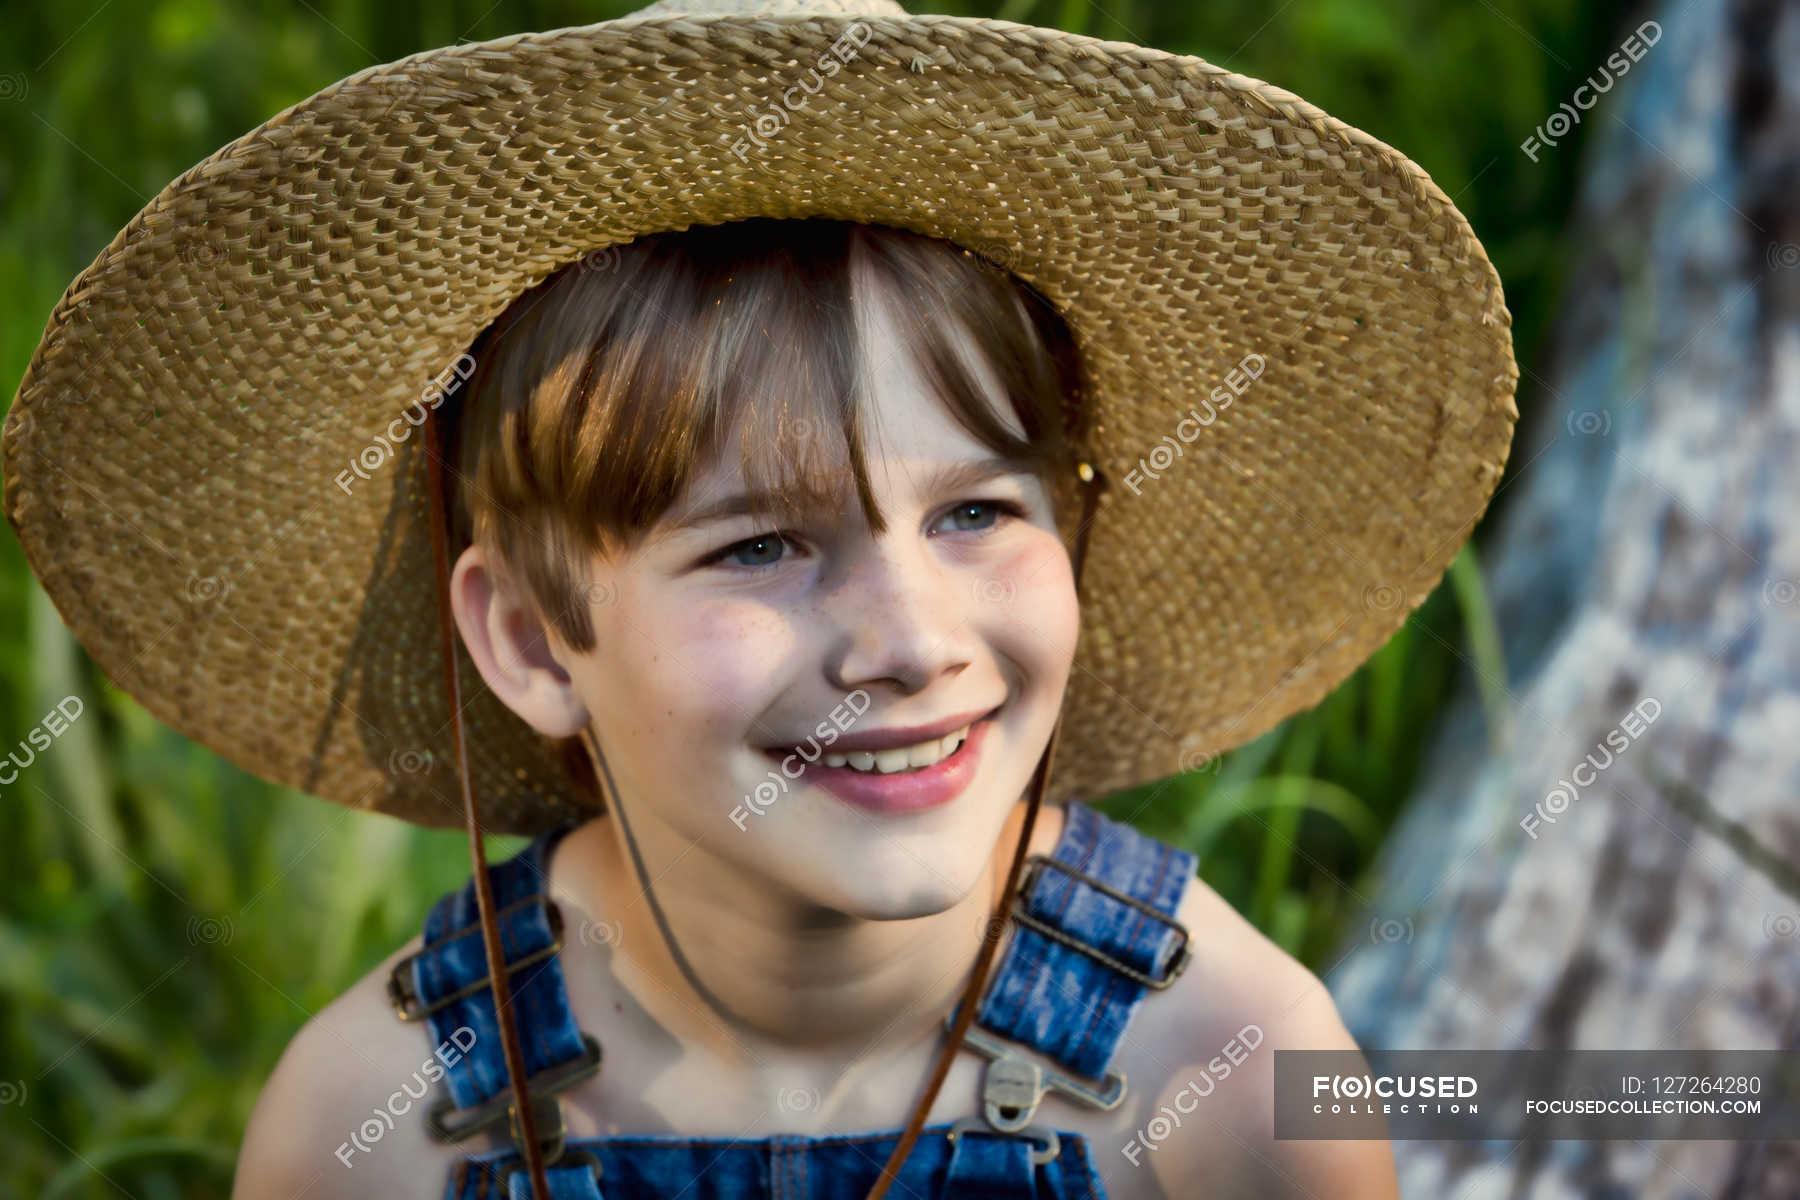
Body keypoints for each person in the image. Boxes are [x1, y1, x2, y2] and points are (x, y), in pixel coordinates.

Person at [4, 1, 1516, 1196]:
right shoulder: (378, 1131)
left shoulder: (1234, 1077)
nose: (914, 643)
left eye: (978, 510)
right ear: (533, 641)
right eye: (760, 548)